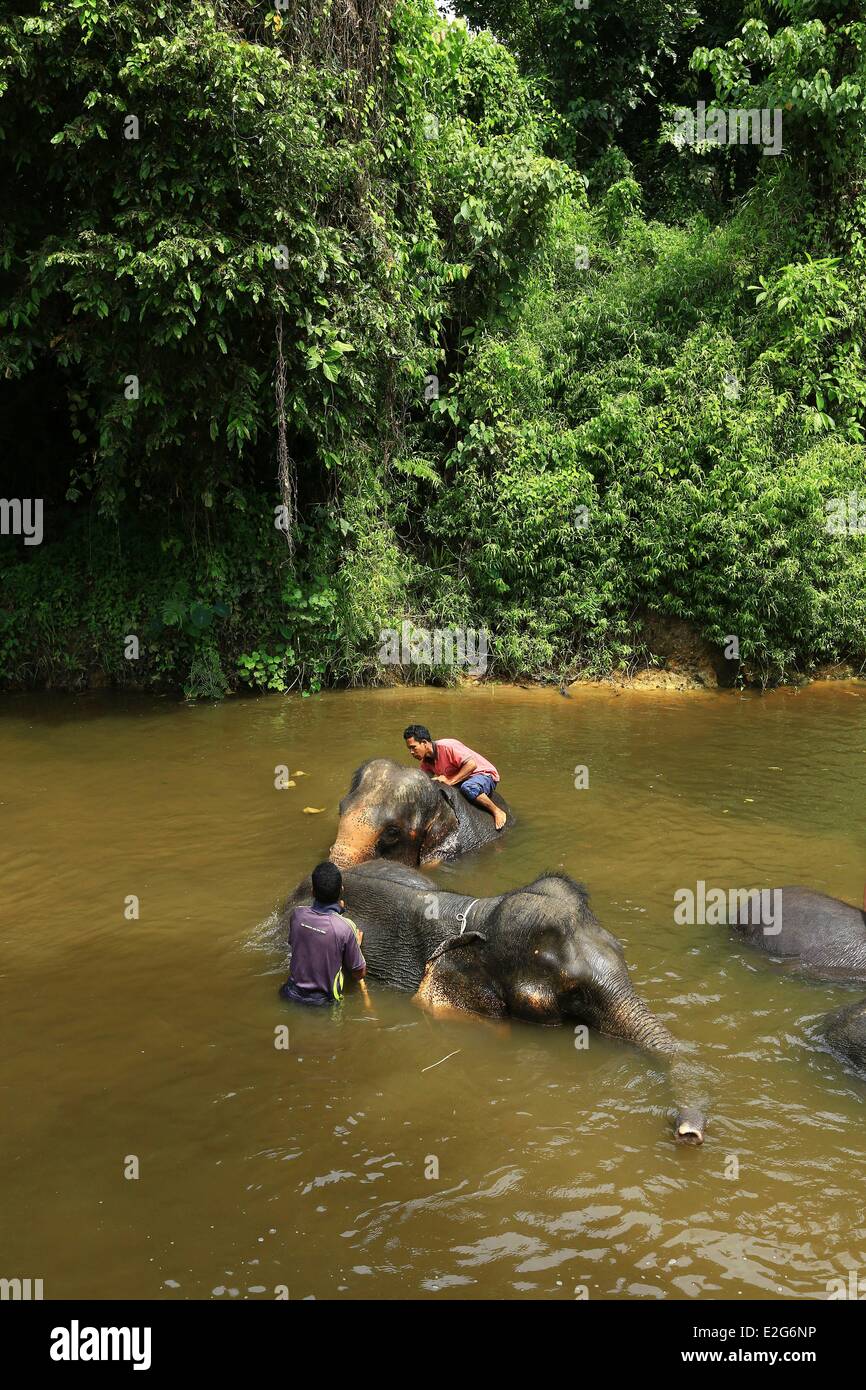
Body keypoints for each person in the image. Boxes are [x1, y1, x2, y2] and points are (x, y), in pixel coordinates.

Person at [280, 861, 366, 1007]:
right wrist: (355, 945)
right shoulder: (345, 928)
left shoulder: (297, 915)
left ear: (312, 891)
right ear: (341, 890)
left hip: (289, 994)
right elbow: (359, 973)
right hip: (323, 1004)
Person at [403, 724, 507, 831]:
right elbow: (423, 781)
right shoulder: (426, 762)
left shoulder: (447, 746)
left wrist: (449, 781)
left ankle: (496, 811)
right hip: (462, 779)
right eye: (409, 749)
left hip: (482, 774)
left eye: (413, 747)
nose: (411, 752)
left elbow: (471, 765)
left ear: (424, 743)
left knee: (468, 787)